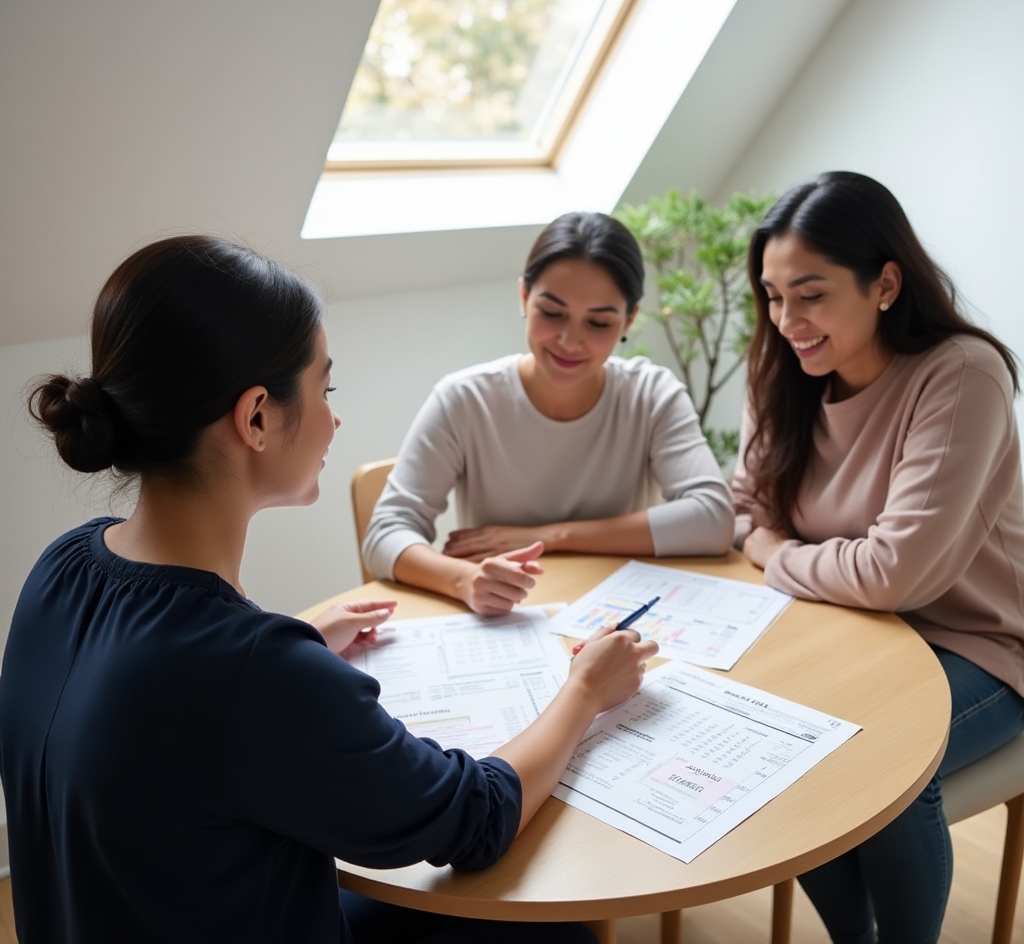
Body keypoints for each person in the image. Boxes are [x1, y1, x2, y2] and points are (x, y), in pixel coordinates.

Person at [0, 235, 659, 944]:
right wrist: (584, 689)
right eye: (325, 388)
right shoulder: (254, 671)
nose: (335, 418)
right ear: (255, 417)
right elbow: (474, 817)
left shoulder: (62, 566)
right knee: (552, 918)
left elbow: (169, 718)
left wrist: (304, 646)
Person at [732, 172, 1024, 944]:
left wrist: (775, 553)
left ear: (885, 283)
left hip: (985, 645)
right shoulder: (786, 372)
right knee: (772, 737)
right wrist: (775, 547)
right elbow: (744, 511)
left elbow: (898, 572)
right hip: (856, 633)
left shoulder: (961, 375)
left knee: (884, 763)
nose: (787, 320)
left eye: (811, 294)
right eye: (771, 295)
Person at [363, 211, 734, 614]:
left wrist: (550, 536)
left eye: (598, 323)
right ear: (524, 298)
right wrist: (463, 579)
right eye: (552, 313)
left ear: (629, 319)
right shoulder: (465, 399)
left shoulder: (651, 394)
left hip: (617, 615)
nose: (570, 341)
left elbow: (712, 519)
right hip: (506, 616)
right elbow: (385, 534)